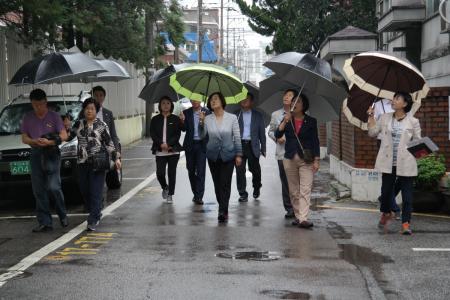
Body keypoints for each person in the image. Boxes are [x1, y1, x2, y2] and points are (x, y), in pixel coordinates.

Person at [367, 92, 421, 235]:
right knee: (385, 194)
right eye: (394, 98)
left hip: (406, 163)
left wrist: (423, 150)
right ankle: (386, 212)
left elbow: (418, 142)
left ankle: (405, 224)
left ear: (405, 104)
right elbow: (372, 133)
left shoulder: (413, 122)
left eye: (397, 98)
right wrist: (371, 116)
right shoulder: (384, 118)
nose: (393, 100)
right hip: (388, 162)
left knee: (407, 197)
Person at [21, 89, 68, 232]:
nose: (38, 108)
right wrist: (33, 141)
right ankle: (45, 222)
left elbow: (64, 135)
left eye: (41, 104)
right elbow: (24, 137)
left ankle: (62, 214)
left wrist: (50, 142)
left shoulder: (54, 116)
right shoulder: (28, 117)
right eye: (35, 105)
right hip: (36, 153)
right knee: (38, 189)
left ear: (45, 102)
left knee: (54, 187)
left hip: (52, 153)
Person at [73, 98, 121, 231]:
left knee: (95, 191)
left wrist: (116, 158)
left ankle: (93, 219)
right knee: (84, 190)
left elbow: (109, 143)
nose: (89, 111)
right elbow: (68, 136)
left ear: (96, 110)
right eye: (87, 108)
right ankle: (97, 210)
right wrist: (65, 125)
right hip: (82, 162)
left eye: (92, 108)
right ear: (84, 110)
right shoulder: (78, 124)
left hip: (98, 163)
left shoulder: (101, 125)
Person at [275, 93, 320, 229]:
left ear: (304, 105)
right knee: (294, 190)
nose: (295, 104)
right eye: (293, 101)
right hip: (289, 158)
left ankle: (303, 218)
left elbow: (315, 141)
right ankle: (298, 215)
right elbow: (277, 135)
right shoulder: (287, 119)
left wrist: (317, 160)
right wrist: (284, 121)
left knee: (305, 189)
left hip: (306, 159)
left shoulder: (311, 121)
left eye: (298, 102)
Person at [199, 92, 242, 222]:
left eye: (216, 99)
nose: (213, 101)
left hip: (228, 155)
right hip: (212, 156)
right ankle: (223, 206)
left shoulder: (232, 118)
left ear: (222, 101)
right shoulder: (207, 118)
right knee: (217, 184)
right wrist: (201, 122)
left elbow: (237, 137)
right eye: (211, 100)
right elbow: (201, 136)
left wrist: (239, 154)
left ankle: (222, 210)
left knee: (225, 184)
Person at [268, 89, 296, 219]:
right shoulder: (276, 114)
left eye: (290, 95)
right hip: (282, 153)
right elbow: (271, 131)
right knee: (285, 183)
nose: (286, 97)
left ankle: (298, 207)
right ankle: (289, 208)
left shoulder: (300, 114)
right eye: (285, 95)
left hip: (296, 154)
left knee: (297, 182)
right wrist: (277, 138)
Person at [150, 96, 183, 204]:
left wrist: (169, 144)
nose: (165, 105)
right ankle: (165, 187)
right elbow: (153, 134)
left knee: (171, 173)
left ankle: (170, 194)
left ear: (171, 105)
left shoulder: (175, 119)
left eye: (168, 103)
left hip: (173, 150)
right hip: (160, 150)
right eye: (163, 103)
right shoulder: (155, 119)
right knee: (160, 173)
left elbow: (177, 134)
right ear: (160, 106)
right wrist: (161, 144)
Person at [235, 92, 266, 202]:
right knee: (239, 170)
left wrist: (263, 149)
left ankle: (257, 186)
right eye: (242, 99)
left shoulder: (258, 116)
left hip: (253, 145)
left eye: (247, 99)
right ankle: (242, 193)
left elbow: (262, 133)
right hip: (239, 145)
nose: (244, 101)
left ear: (251, 102)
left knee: (255, 169)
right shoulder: (236, 115)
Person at [374, 99, 401, 219]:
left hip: (400, 145)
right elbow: (374, 128)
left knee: (402, 177)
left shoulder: (402, 104)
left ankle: (385, 199)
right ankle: (393, 206)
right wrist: (370, 116)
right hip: (384, 143)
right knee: (388, 177)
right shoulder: (379, 105)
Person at [179, 100, 210, 205]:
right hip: (190, 145)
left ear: (200, 99)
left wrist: (203, 121)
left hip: (201, 145)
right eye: (192, 99)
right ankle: (195, 192)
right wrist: (182, 121)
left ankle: (199, 196)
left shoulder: (207, 112)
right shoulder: (186, 112)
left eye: (197, 99)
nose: (194, 101)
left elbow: (209, 129)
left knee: (201, 171)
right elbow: (184, 129)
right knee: (191, 170)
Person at [92, 86, 121, 157]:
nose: (98, 97)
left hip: (107, 149)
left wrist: (117, 150)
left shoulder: (108, 113)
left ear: (104, 97)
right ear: (92, 96)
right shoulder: (86, 113)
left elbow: (113, 133)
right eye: (96, 95)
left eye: (101, 95)